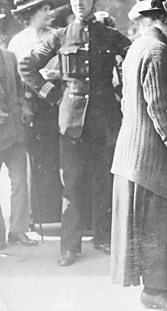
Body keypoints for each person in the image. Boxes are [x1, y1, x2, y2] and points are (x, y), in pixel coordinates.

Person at [19, 0, 131, 266]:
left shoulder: (110, 34)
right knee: (72, 183)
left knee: (104, 179)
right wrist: (56, 97)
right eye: (75, 0)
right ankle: (69, 246)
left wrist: (123, 92)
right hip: (71, 122)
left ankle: (103, 237)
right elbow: (27, 68)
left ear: (94, 3)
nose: (80, 4)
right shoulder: (60, 35)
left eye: (85, 0)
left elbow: (134, 57)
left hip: (105, 119)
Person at [109, 0, 167, 309]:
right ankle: (155, 292)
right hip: (154, 158)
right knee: (159, 225)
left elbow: (128, 102)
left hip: (137, 152)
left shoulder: (140, 46)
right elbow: (159, 105)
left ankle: (166, 282)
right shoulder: (157, 51)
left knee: (161, 224)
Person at [8, 0, 63, 229]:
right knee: (34, 162)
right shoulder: (18, 42)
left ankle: (56, 215)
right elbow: (13, 78)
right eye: (44, 9)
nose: (49, 13)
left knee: (56, 159)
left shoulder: (58, 35)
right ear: (30, 13)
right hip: (32, 106)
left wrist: (56, 74)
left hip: (55, 101)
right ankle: (35, 217)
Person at [0, 44, 35, 250]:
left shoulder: (9, 57)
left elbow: (20, 89)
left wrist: (24, 106)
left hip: (14, 133)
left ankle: (18, 231)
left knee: (20, 182)